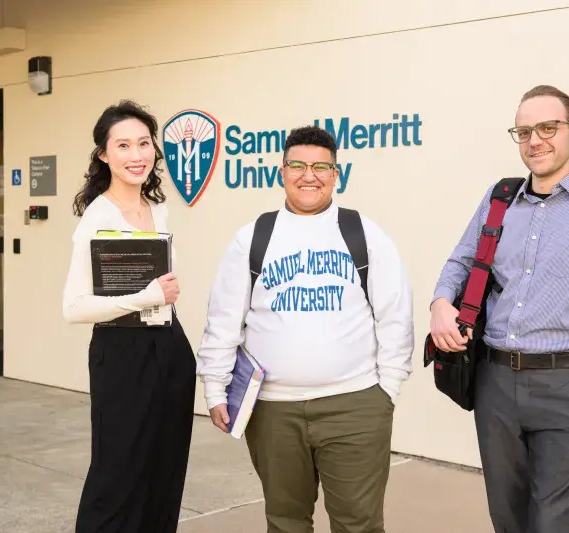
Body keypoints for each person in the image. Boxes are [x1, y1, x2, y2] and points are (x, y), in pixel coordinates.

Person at [429, 85, 569, 533]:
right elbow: (463, 261)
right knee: (508, 520)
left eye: (549, 127)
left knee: (556, 526)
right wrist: (439, 304)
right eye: (524, 130)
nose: (536, 140)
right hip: (495, 386)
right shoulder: (500, 200)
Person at [197, 125, 414, 533]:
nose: (308, 175)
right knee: (285, 522)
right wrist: (214, 387)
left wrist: (387, 391)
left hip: (354, 405)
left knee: (359, 524)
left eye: (320, 167)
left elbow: (396, 317)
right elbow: (223, 321)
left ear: (337, 175)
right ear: (281, 171)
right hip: (273, 410)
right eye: (297, 165)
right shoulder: (253, 237)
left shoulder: (364, 234)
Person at [62, 100, 196, 533]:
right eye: (123, 145)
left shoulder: (158, 211)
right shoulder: (96, 219)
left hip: (169, 346)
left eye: (143, 143)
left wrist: (158, 299)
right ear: (103, 154)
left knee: (164, 469)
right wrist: (144, 296)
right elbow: (74, 307)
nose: (136, 155)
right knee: (116, 475)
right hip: (121, 354)